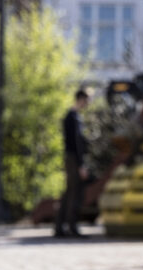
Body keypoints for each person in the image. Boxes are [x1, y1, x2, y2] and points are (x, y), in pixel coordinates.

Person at [55, 89, 90, 238]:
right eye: (87, 100)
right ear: (81, 99)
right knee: (74, 193)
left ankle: (60, 227)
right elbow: (77, 143)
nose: (88, 104)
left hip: (70, 158)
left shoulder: (70, 116)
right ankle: (71, 227)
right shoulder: (74, 118)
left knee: (69, 192)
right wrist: (81, 164)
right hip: (73, 159)